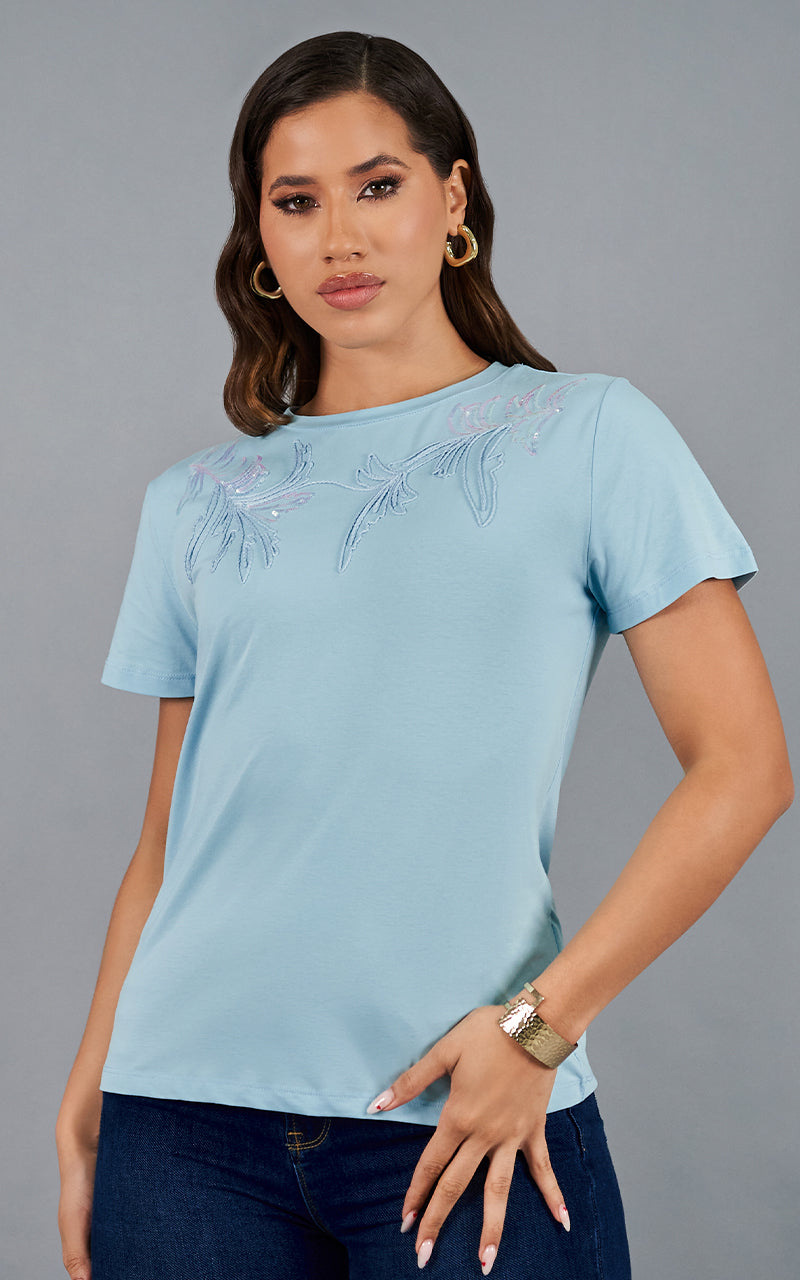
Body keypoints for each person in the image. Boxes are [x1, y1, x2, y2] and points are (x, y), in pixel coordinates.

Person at [55, 29, 792, 1280]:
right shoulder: (193, 502)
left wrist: (539, 1027)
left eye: (377, 185)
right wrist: (89, 1092)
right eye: (296, 201)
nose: (338, 237)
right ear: (259, 235)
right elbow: (167, 837)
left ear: (453, 199)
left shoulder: (589, 435)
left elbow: (743, 768)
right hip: (179, 1123)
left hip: (465, 1104)